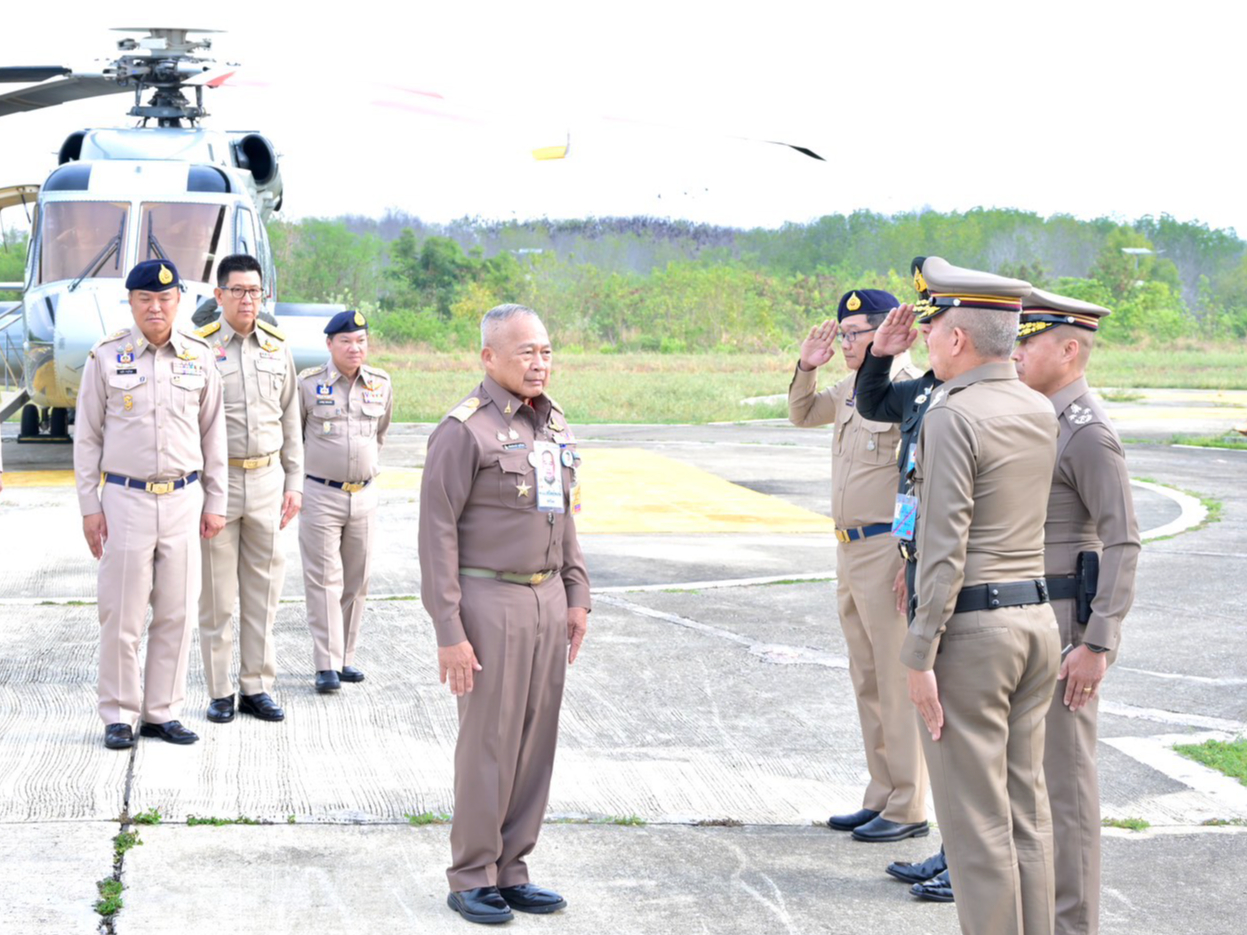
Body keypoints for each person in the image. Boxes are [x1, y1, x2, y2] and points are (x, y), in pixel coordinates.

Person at [902, 256, 1060, 935]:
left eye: (932, 328)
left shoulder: (951, 416)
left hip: (973, 632)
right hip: (1034, 620)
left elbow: (943, 547)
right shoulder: (1034, 405)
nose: (925, 342)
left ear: (958, 338)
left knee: (974, 828)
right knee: (1026, 815)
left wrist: (917, 653)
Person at [419, 303, 590, 925]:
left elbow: (564, 515)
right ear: (489, 357)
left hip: (547, 597)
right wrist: (449, 631)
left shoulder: (554, 426)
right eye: (525, 352)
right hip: (488, 600)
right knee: (488, 742)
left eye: (545, 351)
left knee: (534, 740)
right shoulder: (463, 431)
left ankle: (512, 868)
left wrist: (577, 594)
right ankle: (471, 873)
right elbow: (436, 536)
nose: (539, 362)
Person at [1014, 288, 1141, 935]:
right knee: (1025, 786)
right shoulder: (1039, 418)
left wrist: (1097, 641)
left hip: (1066, 624)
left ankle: (1072, 926)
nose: (1014, 352)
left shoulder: (1088, 434)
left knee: (1064, 791)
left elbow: (1122, 538)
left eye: (1027, 341)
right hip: (1026, 618)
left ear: (1068, 349)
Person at [788, 289, 929, 843]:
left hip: (885, 550)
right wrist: (806, 365)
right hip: (848, 550)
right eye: (841, 335)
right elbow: (802, 414)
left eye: (855, 335)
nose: (845, 344)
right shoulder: (853, 388)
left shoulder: (908, 389)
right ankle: (883, 793)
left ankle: (910, 805)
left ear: (886, 330)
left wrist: (907, 555)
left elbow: (919, 478)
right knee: (867, 679)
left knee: (898, 683)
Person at [73, 259, 227, 749]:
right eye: (145, 299)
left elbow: (214, 436)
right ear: (132, 302)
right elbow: (88, 439)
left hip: (184, 498)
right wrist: (89, 506)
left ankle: (162, 712)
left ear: (178, 300)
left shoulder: (199, 358)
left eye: (164, 299)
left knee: (177, 612)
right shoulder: (106, 357)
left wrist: (215, 501)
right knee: (121, 613)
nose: (155, 307)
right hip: (124, 498)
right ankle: (119, 714)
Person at [194, 254, 302, 725]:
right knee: (217, 597)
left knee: (263, 592)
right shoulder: (197, 349)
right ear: (219, 296)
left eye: (254, 291)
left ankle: (256, 686)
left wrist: (294, 481)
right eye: (237, 291)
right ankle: (220, 691)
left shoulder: (277, 347)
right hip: (216, 486)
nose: (247, 300)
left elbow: (292, 420)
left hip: (266, 482)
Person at [297, 310, 392, 692]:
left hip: (364, 494)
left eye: (362, 341)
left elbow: (380, 434)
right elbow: (296, 437)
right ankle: (325, 664)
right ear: (330, 344)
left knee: (357, 579)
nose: (356, 348)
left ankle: (345, 657)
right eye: (347, 341)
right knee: (324, 581)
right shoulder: (308, 384)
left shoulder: (381, 384)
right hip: (321, 492)